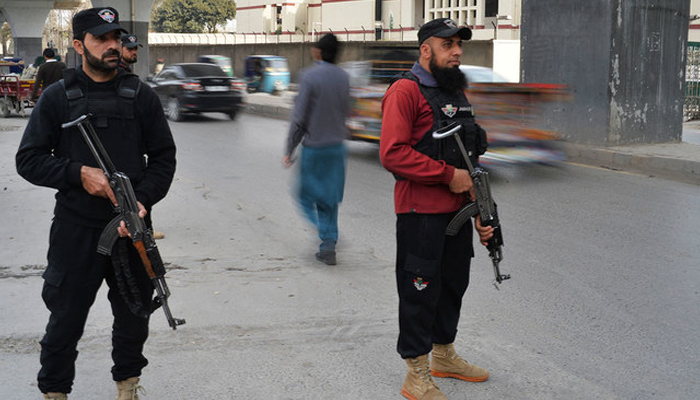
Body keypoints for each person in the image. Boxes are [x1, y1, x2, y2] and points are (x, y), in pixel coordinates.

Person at [15, 7, 176, 400]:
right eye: (101, 38)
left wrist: (142, 200)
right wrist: (77, 174)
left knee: (134, 317)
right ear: (77, 45)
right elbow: (29, 159)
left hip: (132, 228)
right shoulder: (57, 98)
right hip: (75, 229)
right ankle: (55, 391)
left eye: (116, 38)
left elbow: (164, 159)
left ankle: (127, 385)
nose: (111, 46)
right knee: (65, 319)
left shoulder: (140, 96)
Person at [379, 18, 495, 400]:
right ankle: (416, 372)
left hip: (457, 213)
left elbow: (471, 157)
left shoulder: (456, 93)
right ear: (426, 49)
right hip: (420, 215)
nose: (458, 51)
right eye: (448, 45)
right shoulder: (405, 91)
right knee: (420, 291)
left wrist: (480, 209)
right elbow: (392, 154)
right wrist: (447, 176)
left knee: (453, 286)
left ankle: (444, 356)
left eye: (460, 44)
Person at [282, 33, 350, 266]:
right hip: (337, 148)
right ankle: (328, 246)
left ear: (318, 51)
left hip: (315, 149)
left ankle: (325, 232)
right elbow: (346, 111)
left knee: (304, 195)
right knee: (329, 199)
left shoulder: (309, 76)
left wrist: (289, 148)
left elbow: (299, 118)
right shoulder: (344, 77)